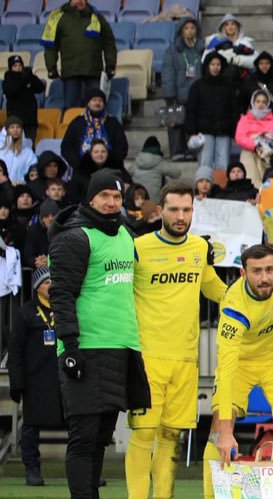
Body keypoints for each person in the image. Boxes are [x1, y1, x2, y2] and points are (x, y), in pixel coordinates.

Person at [48, 171, 150, 499]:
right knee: (83, 437)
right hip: (86, 347)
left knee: (101, 439)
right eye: (104, 196)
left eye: (117, 197)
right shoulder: (74, 237)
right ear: (90, 199)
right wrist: (70, 345)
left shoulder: (124, 234)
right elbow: (60, 294)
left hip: (120, 346)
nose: (111, 203)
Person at [125, 182, 228, 499]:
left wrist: (248, 301)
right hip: (148, 358)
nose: (181, 216)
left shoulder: (199, 248)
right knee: (144, 435)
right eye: (174, 209)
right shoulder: (138, 248)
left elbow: (213, 289)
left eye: (187, 209)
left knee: (170, 438)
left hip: (186, 359)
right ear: (159, 211)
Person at [202, 241, 273, 497]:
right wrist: (225, 433)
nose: (265, 278)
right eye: (256, 271)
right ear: (243, 273)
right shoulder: (233, 307)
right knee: (219, 427)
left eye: (269, 270)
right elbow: (227, 370)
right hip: (240, 364)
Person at [8, 267, 65, 487]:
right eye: (46, 281)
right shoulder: (26, 312)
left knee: (78, 425)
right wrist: (17, 383)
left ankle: (85, 469)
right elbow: (15, 350)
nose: (51, 284)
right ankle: (32, 468)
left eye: (54, 280)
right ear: (36, 287)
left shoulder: (65, 307)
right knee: (31, 427)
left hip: (63, 378)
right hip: (36, 381)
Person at [43, 0, 118, 108]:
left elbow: (109, 42)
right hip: (70, 73)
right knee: (72, 109)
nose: (80, 1)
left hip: (93, 73)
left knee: (95, 108)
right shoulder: (58, 18)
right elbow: (50, 44)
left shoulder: (97, 17)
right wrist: (51, 67)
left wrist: (110, 65)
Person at [185, 53, 239, 181]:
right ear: (207, 66)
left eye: (218, 64)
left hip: (224, 132)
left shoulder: (228, 86)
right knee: (205, 165)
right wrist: (191, 131)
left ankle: (221, 192)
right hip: (204, 133)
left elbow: (234, 110)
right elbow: (191, 110)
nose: (216, 67)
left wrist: (233, 131)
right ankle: (204, 193)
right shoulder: (197, 86)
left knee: (223, 165)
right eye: (213, 64)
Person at [60, 89, 128, 175]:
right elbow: (66, 147)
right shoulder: (77, 122)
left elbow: (122, 145)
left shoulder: (113, 122)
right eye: (94, 100)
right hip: (82, 169)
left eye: (100, 101)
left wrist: (112, 163)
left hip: (109, 169)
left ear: (104, 104)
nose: (97, 103)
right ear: (88, 103)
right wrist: (79, 164)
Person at [234, 89, 273, 185]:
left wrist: (266, 144)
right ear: (253, 102)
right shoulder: (244, 119)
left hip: (269, 153)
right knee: (250, 179)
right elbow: (239, 137)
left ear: (267, 104)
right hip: (250, 152)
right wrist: (255, 144)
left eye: (264, 102)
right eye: (258, 101)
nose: (260, 104)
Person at [4, 56, 47, 141]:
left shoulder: (27, 77)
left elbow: (40, 88)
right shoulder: (9, 78)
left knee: (29, 147)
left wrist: (31, 76)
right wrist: (24, 78)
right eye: (15, 66)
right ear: (10, 68)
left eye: (20, 65)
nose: (18, 68)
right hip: (16, 122)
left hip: (30, 120)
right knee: (15, 147)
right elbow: (11, 90)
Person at [1, 117, 38, 183]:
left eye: (18, 127)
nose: (15, 130)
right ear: (6, 130)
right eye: (12, 127)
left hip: (20, 188)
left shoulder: (28, 153)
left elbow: (33, 172)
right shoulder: (1, 151)